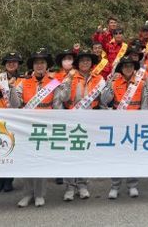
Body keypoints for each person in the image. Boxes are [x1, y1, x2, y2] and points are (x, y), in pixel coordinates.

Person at [9, 48, 66, 207]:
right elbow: (15, 104)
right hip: (27, 127)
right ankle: (27, 194)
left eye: (42, 62)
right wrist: (12, 89)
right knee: (26, 161)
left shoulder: (54, 83)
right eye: (36, 63)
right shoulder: (23, 82)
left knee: (40, 162)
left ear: (47, 65)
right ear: (32, 66)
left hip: (45, 127)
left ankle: (40, 194)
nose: (39, 65)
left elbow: (57, 105)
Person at [55, 49, 105, 201]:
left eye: (88, 60)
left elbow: (104, 100)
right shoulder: (70, 77)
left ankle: (82, 185)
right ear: (78, 63)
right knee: (70, 154)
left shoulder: (99, 78)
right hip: (72, 119)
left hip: (90, 119)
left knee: (84, 153)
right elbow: (63, 98)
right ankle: (70, 186)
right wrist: (68, 80)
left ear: (92, 63)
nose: (85, 63)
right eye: (82, 60)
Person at [101, 56, 148, 199]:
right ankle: (115, 185)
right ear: (121, 68)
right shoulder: (114, 82)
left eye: (131, 66)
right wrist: (109, 84)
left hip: (135, 124)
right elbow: (104, 101)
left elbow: (145, 104)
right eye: (125, 66)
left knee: (133, 156)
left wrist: (143, 121)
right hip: (118, 124)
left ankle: (132, 185)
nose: (128, 68)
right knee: (117, 156)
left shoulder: (141, 83)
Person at [0, 52, 23, 194]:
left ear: (18, 64)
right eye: (8, 62)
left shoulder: (23, 78)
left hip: (15, 116)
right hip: (0, 115)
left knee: (12, 147)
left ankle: (9, 180)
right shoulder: (0, 77)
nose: (11, 64)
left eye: (14, 62)